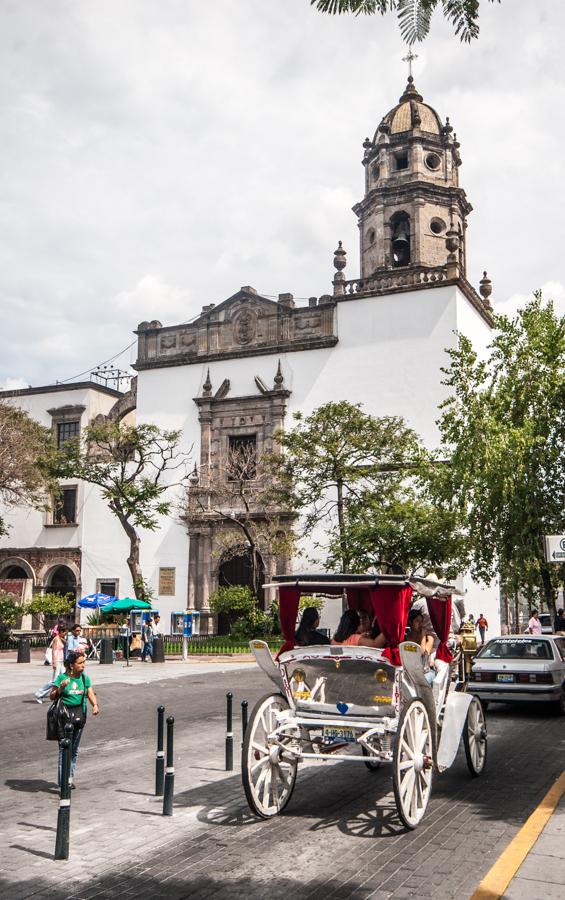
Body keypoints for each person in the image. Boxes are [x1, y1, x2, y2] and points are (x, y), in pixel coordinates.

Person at [50, 650, 99, 788]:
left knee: (74, 749)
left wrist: (95, 705)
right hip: (64, 717)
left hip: (79, 716)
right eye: (80, 663)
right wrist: (60, 688)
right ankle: (63, 781)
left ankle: (69, 778)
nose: (83, 665)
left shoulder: (84, 678)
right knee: (64, 748)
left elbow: (90, 693)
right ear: (72, 665)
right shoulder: (61, 678)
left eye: (84, 662)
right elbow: (51, 696)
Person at [34, 625, 68, 703]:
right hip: (57, 661)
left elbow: (67, 644)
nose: (65, 634)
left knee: (63, 678)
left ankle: (60, 695)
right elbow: (53, 651)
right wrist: (53, 662)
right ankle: (39, 694)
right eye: (65, 633)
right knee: (54, 681)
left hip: (61, 661)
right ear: (61, 632)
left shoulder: (61, 639)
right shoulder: (56, 639)